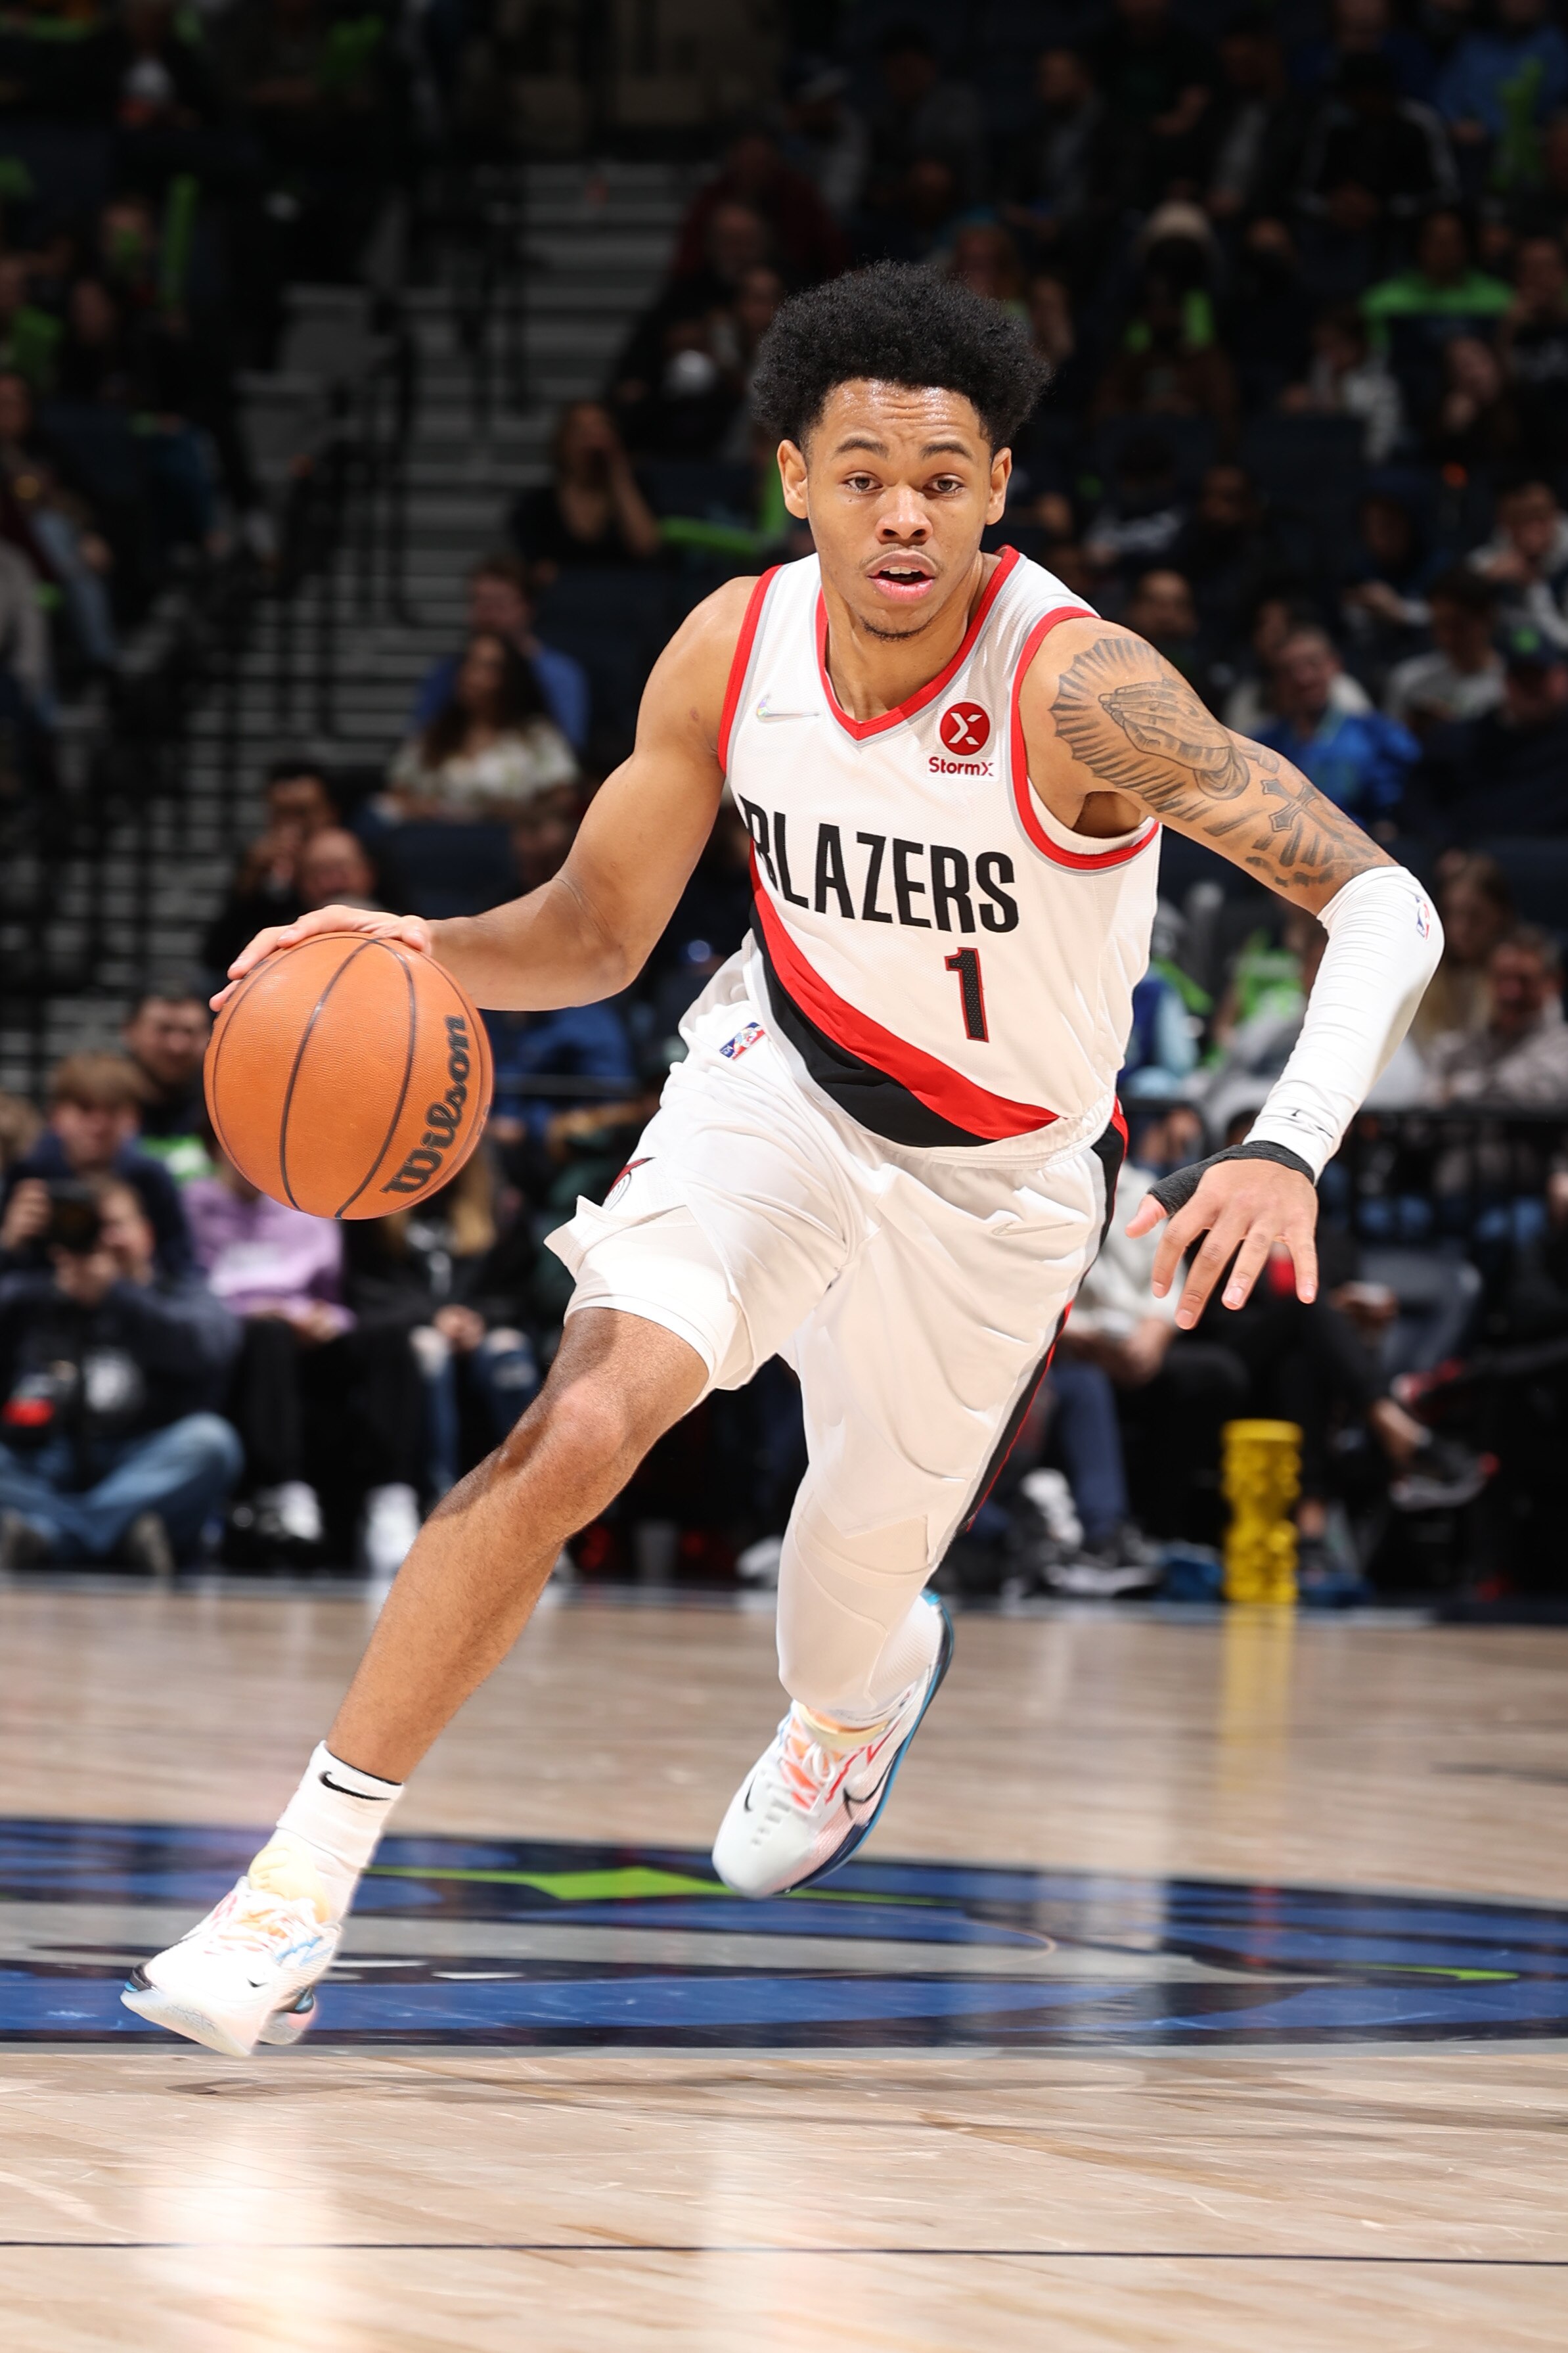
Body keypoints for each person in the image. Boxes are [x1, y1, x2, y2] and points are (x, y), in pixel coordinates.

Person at [125, 260, 1445, 2058]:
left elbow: (1381, 900)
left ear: (996, 493)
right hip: (777, 1083)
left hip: (1000, 1187)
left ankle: (862, 1687)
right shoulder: (729, 648)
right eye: (862, 469)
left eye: (943, 474)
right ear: (793, 477)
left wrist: (1289, 1145)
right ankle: (291, 1887)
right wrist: (415, 944)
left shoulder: (1083, 690)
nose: (901, 509)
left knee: (836, 1605)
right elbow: (597, 928)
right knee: (577, 1422)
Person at [184, 1147, 425, 1572]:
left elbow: (332, 1292)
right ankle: (284, 1490)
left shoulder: (307, 1203)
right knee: (269, 1335)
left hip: (310, 1335)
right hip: (240, 1338)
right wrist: (258, 1311)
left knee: (390, 1335)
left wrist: (324, 1318)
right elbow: (191, 1291)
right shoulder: (191, 1203)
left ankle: (392, 1496)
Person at [0, 1176, 240, 1572]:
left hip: (142, 1458)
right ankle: (115, 1535)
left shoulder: (177, 1292)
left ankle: (50, 1537)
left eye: (114, 1226)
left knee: (212, 1443)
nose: (101, 1238)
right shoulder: (31, 1296)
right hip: (43, 1460)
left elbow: (210, 1349)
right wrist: (6, 1248)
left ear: (146, 1234)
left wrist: (117, 1295)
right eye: (86, 1224)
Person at [1, 1054, 192, 1279]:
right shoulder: (27, 1174)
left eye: (112, 1110)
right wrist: (9, 1240)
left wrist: (142, 1270)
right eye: (85, 1109)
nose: (98, 1125)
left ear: (134, 1118)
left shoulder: (151, 1177)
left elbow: (185, 1274)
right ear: (56, 1115)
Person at [384, 632, 579, 822]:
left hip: (507, 843)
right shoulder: (434, 733)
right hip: (435, 840)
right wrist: (420, 810)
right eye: (470, 664)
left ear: (511, 677)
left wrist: (521, 816)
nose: (473, 677)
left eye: (489, 668)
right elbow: (398, 793)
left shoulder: (536, 735)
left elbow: (564, 798)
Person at [411, 557, 589, 754]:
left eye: (498, 604)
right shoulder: (448, 671)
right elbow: (421, 740)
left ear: (527, 608)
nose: (487, 615)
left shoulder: (560, 674)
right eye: (479, 602)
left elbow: (569, 749)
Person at [1255, 625, 1420, 821]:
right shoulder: (1260, 749)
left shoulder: (1379, 735)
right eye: (1288, 670)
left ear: (1334, 664)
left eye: (1313, 664)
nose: (1303, 678)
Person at [202, 759, 339, 980]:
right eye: (281, 813)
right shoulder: (256, 865)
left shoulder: (354, 857)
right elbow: (215, 957)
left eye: (302, 812)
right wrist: (249, 882)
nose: (291, 826)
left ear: (330, 812)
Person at [509, 402, 661, 583]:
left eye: (602, 430)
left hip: (628, 597)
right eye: (581, 432)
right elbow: (540, 574)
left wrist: (618, 470)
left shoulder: (639, 491)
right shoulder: (536, 506)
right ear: (563, 442)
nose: (593, 441)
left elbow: (647, 547)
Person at [1425, 925, 1568, 1105]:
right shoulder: (1451, 1050)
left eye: (1524, 980)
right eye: (1502, 978)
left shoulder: (1563, 1048)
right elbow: (1426, 1103)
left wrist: (1457, 1089)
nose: (1510, 992)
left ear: (1554, 983)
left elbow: (1530, 1093)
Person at [1383, 565, 1504, 734]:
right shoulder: (1408, 679)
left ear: (1488, 620)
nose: (1447, 638)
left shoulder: (1510, 685)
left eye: (1458, 626)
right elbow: (1390, 748)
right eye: (1439, 625)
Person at [122, 978, 211, 1147]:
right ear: (130, 1031)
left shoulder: (225, 1113)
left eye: (189, 1032)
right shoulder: (96, 1113)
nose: (177, 1046)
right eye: (164, 1029)